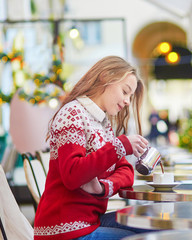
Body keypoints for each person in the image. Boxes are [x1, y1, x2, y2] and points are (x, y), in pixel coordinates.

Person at [34, 56, 151, 240]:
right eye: (125, 91)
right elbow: (72, 175)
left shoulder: (102, 123)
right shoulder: (72, 114)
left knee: (151, 224)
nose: (128, 101)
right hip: (64, 231)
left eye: (130, 96)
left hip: (89, 222)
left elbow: (126, 171)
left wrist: (102, 188)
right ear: (106, 77)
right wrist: (119, 146)